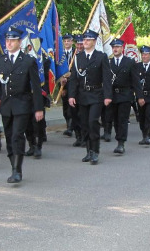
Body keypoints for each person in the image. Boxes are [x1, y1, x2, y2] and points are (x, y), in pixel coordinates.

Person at [0, 27, 44, 183]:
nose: (8, 43)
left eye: (12, 40)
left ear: (19, 42)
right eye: (7, 40)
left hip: (22, 105)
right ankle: (12, 164)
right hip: (6, 106)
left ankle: (17, 170)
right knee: (8, 138)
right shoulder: (0, 61)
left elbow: (36, 86)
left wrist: (39, 108)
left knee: (17, 136)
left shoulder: (28, 61)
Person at [68, 29, 112, 164]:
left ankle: (95, 151)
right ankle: (88, 151)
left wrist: (107, 96)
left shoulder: (101, 57)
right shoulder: (78, 57)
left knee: (93, 121)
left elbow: (106, 77)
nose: (85, 42)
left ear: (94, 41)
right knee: (85, 124)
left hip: (96, 94)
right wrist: (71, 95)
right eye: (84, 39)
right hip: (82, 95)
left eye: (88, 40)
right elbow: (74, 79)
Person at [105, 38, 143, 154]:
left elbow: (136, 81)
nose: (115, 49)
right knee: (115, 120)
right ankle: (119, 138)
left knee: (122, 119)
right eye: (113, 47)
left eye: (117, 47)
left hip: (125, 95)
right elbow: (106, 81)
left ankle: (121, 143)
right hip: (112, 95)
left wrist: (140, 96)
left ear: (122, 48)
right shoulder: (108, 62)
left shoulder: (129, 62)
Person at [60, 34, 76, 137]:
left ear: (71, 42)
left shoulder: (76, 53)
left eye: (68, 41)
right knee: (65, 107)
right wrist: (62, 85)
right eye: (65, 41)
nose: (66, 43)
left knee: (72, 106)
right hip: (63, 84)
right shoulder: (60, 54)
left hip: (73, 83)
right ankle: (68, 124)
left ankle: (71, 127)